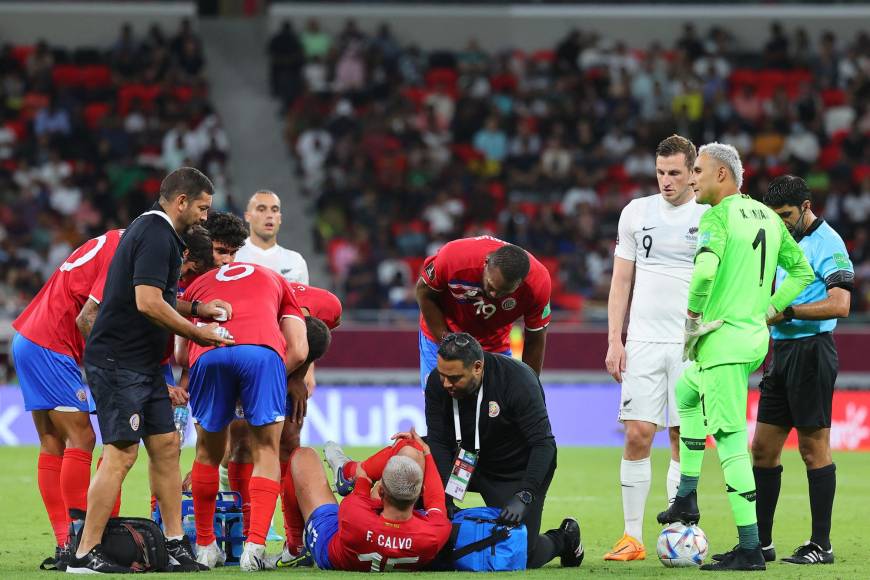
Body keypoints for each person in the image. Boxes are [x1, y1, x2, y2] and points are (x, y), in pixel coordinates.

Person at [656, 144, 814, 571]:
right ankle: (686, 497)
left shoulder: (717, 217)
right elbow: (802, 271)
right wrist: (768, 309)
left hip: (723, 341)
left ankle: (750, 547)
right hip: (751, 338)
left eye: (698, 171)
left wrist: (692, 317)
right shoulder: (766, 216)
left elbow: (705, 273)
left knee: (729, 440)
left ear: (722, 174)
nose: (692, 179)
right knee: (686, 391)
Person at [71, 167, 234, 573]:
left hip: (142, 364)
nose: (205, 216)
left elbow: (158, 295)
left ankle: (175, 544)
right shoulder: (157, 234)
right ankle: (84, 553)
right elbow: (147, 302)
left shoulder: (159, 234)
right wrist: (197, 332)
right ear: (181, 201)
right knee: (121, 455)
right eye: (202, 208)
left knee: (165, 447)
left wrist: (198, 309)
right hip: (118, 362)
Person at [603, 135, 708, 561]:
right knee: (638, 433)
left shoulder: (709, 215)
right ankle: (632, 537)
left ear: (692, 172)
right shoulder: (636, 212)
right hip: (643, 342)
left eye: (675, 173)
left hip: (690, 346)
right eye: (661, 172)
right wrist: (615, 338)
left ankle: (679, 531)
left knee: (682, 436)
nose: (666, 181)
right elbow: (621, 280)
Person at [748, 175, 853, 565]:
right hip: (781, 352)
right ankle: (760, 543)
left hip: (812, 351)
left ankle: (821, 545)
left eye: (786, 215)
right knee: (762, 450)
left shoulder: (828, 242)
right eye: (774, 215)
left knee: (812, 449)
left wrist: (788, 311)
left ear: (806, 207)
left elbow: (840, 304)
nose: (780, 222)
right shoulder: (780, 239)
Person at [180, 262, 310, 571]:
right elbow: (300, 350)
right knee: (265, 451)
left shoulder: (198, 285)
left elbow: (181, 355)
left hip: (209, 353)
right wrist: (267, 381)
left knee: (206, 453)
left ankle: (206, 547)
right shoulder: (276, 279)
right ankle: (254, 549)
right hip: (261, 354)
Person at [11, 229, 123, 569]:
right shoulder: (125, 250)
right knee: (83, 437)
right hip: (51, 343)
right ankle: (79, 543)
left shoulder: (112, 239)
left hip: (30, 337)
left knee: (51, 442)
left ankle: (65, 543)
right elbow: (89, 315)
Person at [424, 333, 582, 569]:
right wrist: (443, 496)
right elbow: (437, 441)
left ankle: (565, 538)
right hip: (466, 461)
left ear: (477, 367)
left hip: (512, 471)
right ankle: (417, 536)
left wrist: (525, 494)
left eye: (454, 378)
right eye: (442, 375)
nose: (446, 384)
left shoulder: (517, 380)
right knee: (412, 456)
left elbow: (544, 445)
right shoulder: (438, 382)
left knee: (521, 553)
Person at [282, 428, 452, 571]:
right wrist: (426, 452)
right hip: (370, 530)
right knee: (411, 454)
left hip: (336, 543)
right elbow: (436, 500)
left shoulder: (353, 514)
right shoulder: (436, 532)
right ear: (420, 493)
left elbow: (362, 485)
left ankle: (295, 549)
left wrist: (363, 475)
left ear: (380, 491)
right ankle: (347, 471)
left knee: (302, 455)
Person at [415, 236, 552, 388]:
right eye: (490, 285)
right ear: (486, 263)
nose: (493, 295)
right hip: (443, 331)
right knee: (440, 397)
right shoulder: (454, 257)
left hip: (494, 343)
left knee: (496, 402)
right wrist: (446, 340)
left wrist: (528, 386)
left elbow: (535, 339)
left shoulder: (538, 285)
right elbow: (423, 293)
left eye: (503, 292)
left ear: (520, 284)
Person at [235, 190, 309, 284]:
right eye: (261, 209)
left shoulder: (296, 261)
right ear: (248, 216)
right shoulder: (233, 257)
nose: (269, 215)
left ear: (280, 218)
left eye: (274, 210)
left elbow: (303, 293)